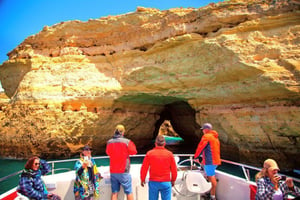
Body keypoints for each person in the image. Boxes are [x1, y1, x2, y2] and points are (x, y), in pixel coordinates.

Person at [140, 135, 177, 200]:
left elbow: (144, 168)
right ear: (164, 144)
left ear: (155, 144)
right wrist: (173, 180)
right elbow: (174, 170)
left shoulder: (149, 154)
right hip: (166, 182)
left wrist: (142, 179)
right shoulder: (170, 154)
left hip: (153, 182)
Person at [106, 124, 137, 200]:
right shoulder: (127, 142)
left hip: (113, 171)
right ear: (123, 132)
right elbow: (134, 152)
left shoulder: (109, 142)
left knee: (114, 192)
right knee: (129, 192)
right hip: (124, 171)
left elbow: (108, 152)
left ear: (115, 132)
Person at [194, 123, 221, 200]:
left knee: (211, 177)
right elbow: (211, 150)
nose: (202, 131)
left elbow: (201, 147)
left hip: (210, 162)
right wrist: (203, 160)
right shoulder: (215, 137)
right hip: (215, 160)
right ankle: (209, 192)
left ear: (206, 130)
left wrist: (196, 157)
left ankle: (212, 196)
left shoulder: (207, 136)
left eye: (203, 129)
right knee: (209, 175)